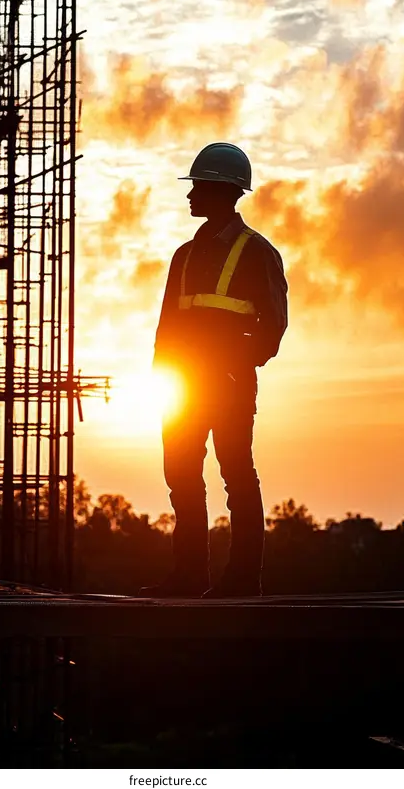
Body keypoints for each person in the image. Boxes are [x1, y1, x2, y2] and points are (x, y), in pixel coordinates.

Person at [140, 143, 288, 599]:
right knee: (181, 475)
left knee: (236, 474)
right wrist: (161, 379)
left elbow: (274, 325)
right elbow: (168, 324)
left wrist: (237, 363)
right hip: (183, 386)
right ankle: (190, 575)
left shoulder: (256, 252)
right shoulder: (183, 256)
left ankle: (243, 579)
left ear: (222, 191)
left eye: (197, 187)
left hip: (227, 384)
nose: (189, 196)